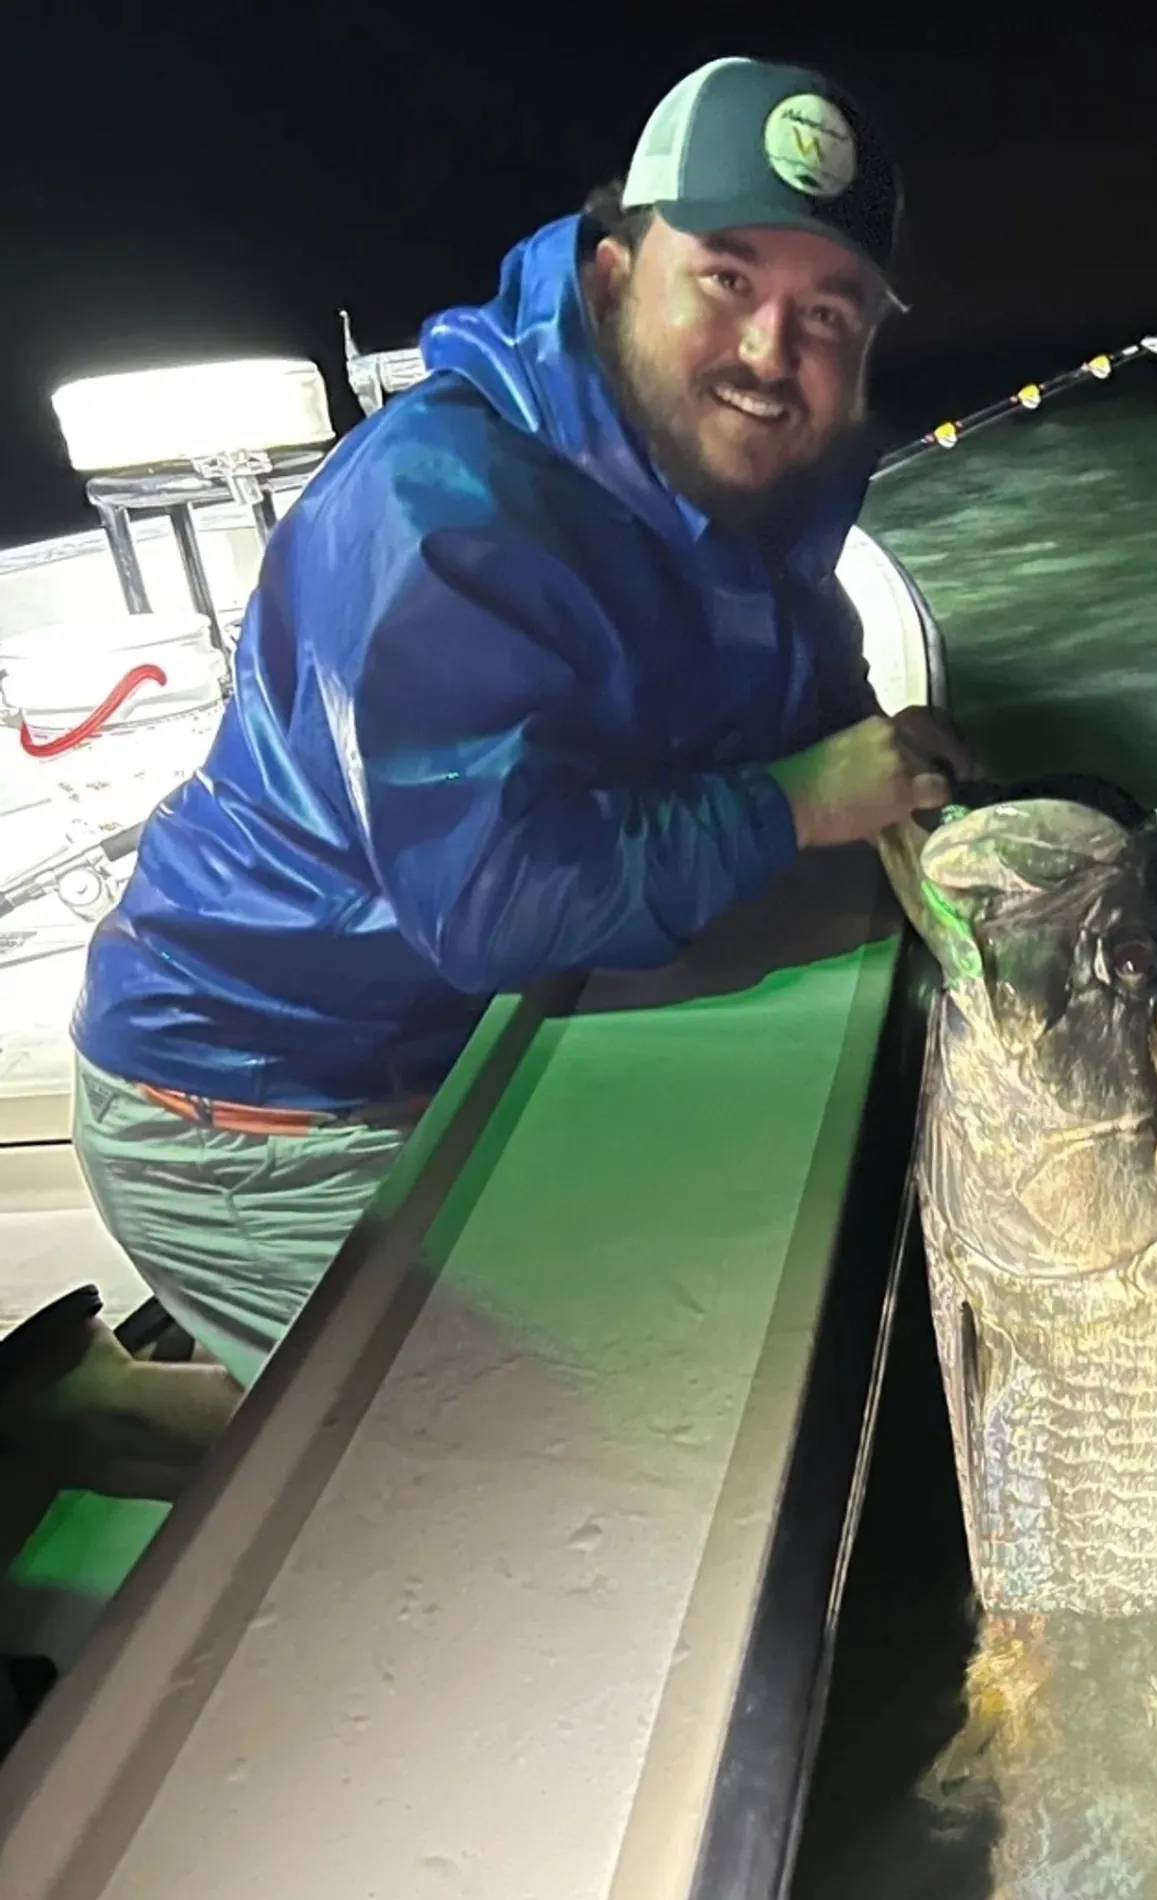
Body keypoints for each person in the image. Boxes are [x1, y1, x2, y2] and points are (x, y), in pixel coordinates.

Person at [48, 54, 974, 1421]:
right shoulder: (441, 507)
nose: (776, 352)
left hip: (458, 1045)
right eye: (728, 280)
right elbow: (495, 904)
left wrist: (910, 795)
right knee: (546, 1468)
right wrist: (795, 802)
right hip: (252, 1102)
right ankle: (90, 1413)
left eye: (828, 311)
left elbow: (810, 690)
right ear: (611, 274)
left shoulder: (762, 455)